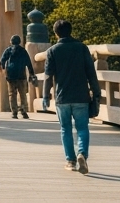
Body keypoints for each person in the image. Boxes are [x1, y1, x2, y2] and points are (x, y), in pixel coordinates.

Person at [43, 19, 101, 174]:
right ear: (71, 30)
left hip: (62, 97)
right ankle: (82, 153)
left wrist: (45, 96)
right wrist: (96, 92)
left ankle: (70, 160)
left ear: (56, 33)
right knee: (82, 128)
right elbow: (91, 73)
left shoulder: (52, 51)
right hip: (81, 96)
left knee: (65, 129)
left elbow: (48, 76)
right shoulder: (82, 48)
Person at [0, 34, 35, 119]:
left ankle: (14, 112)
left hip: (10, 75)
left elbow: (2, 61)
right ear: (20, 42)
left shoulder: (8, 50)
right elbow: (29, 63)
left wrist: (4, 70)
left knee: (12, 94)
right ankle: (24, 111)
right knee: (22, 94)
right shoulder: (23, 51)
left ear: (11, 42)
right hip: (21, 75)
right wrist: (31, 73)